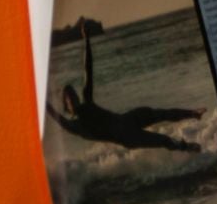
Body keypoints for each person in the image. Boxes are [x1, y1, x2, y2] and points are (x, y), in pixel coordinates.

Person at [46, 19, 203, 152]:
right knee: (164, 140)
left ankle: (193, 113)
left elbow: (88, 69)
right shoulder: (75, 125)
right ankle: (190, 149)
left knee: (156, 113)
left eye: (74, 95)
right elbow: (56, 116)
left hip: (128, 119)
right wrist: (41, 102)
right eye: (70, 98)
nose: (74, 98)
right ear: (67, 106)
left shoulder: (87, 101)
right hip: (128, 137)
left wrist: (86, 40)